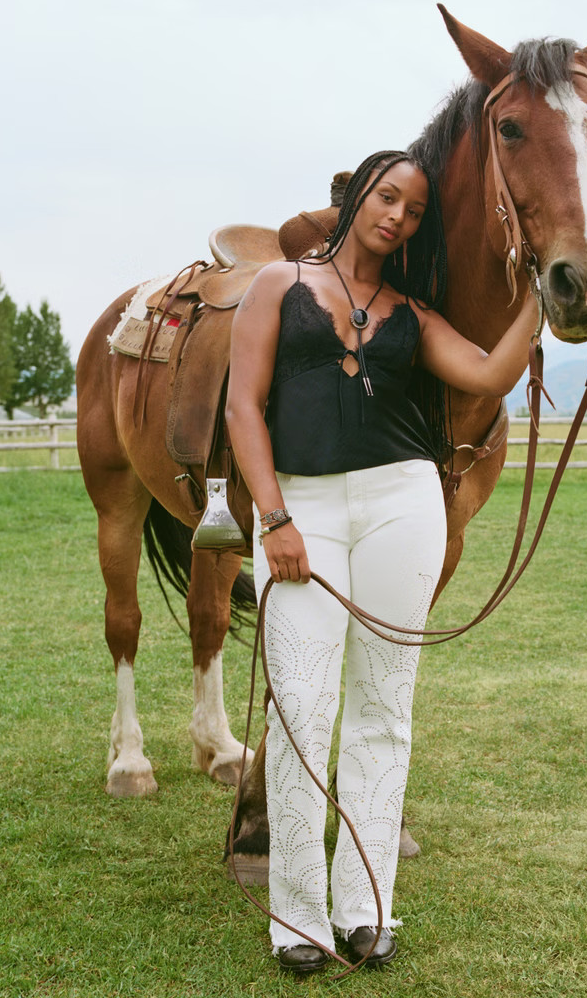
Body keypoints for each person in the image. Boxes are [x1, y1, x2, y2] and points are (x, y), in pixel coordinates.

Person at [225, 150, 539, 973]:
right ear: (361, 194)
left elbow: (489, 370)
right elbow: (242, 406)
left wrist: (544, 292)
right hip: (303, 509)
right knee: (300, 710)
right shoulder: (277, 286)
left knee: (384, 714)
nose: (397, 215)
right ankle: (297, 920)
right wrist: (275, 516)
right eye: (387, 196)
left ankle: (366, 908)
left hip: (404, 503)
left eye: (413, 210)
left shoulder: (412, 312)